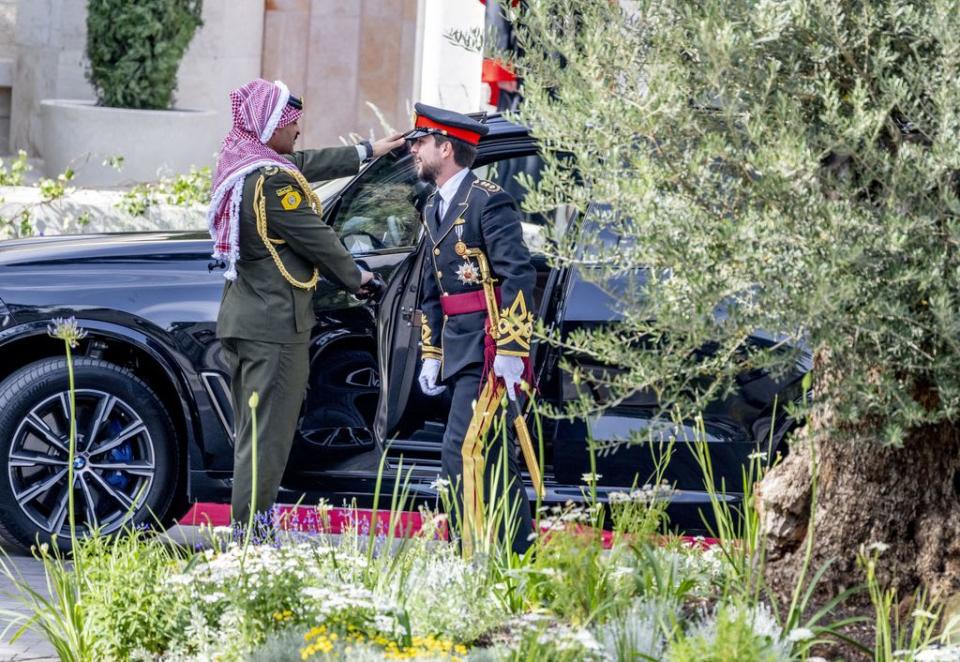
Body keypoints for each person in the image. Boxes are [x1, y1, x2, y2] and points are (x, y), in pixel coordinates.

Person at [208, 78, 403, 525]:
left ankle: (250, 527)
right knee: (266, 439)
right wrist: (358, 278)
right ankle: (252, 535)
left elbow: (301, 163)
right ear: (271, 124)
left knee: (253, 435)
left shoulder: (244, 163)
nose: (297, 130)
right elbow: (317, 238)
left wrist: (366, 152)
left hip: (246, 320)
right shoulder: (274, 184)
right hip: (275, 329)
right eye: (291, 121)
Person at [407, 103, 535, 557]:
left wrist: (513, 348)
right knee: (493, 454)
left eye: (420, 142)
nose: (414, 150)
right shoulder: (432, 206)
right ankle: (516, 552)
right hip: (458, 346)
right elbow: (431, 286)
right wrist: (431, 352)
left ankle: (472, 555)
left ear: (446, 147)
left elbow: (518, 274)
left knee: (463, 450)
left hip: (489, 347)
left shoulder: (487, 199)